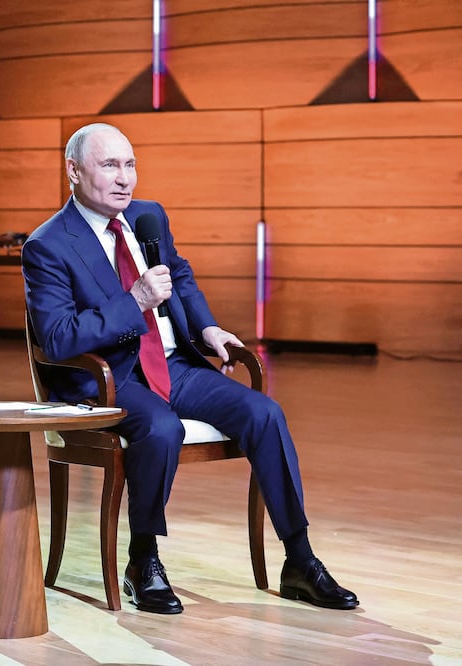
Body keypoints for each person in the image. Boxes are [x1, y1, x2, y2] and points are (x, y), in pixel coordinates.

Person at [21, 122, 358, 614]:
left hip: (174, 363)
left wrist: (207, 328)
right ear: (73, 170)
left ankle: (300, 561)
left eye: (130, 164)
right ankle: (143, 560)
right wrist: (133, 301)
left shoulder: (147, 216)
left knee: (265, 414)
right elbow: (56, 338)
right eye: (109, 165)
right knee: (160, 429)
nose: (125, 179)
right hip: (108, 377)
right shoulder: (48, 244)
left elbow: (178, 275)